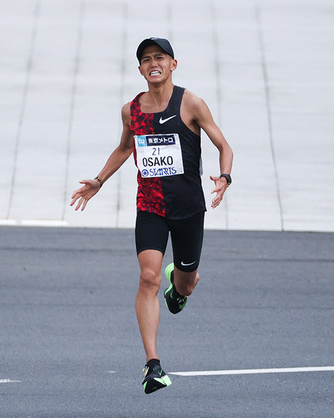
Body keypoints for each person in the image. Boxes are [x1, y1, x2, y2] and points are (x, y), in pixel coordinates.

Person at [70, 37, 233, 394]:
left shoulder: (190, 103)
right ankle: (152, 364)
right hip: (151, 207)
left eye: (159, 57)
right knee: (147, 277)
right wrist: (99, 180)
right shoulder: (132, 110)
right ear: (140, 69)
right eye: (146, 59)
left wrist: (224, 178)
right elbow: (125, 147)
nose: (152, 63)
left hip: (189, 209)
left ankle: (183, 282)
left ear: (173, 64)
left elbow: (224, 145)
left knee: (184, 283)